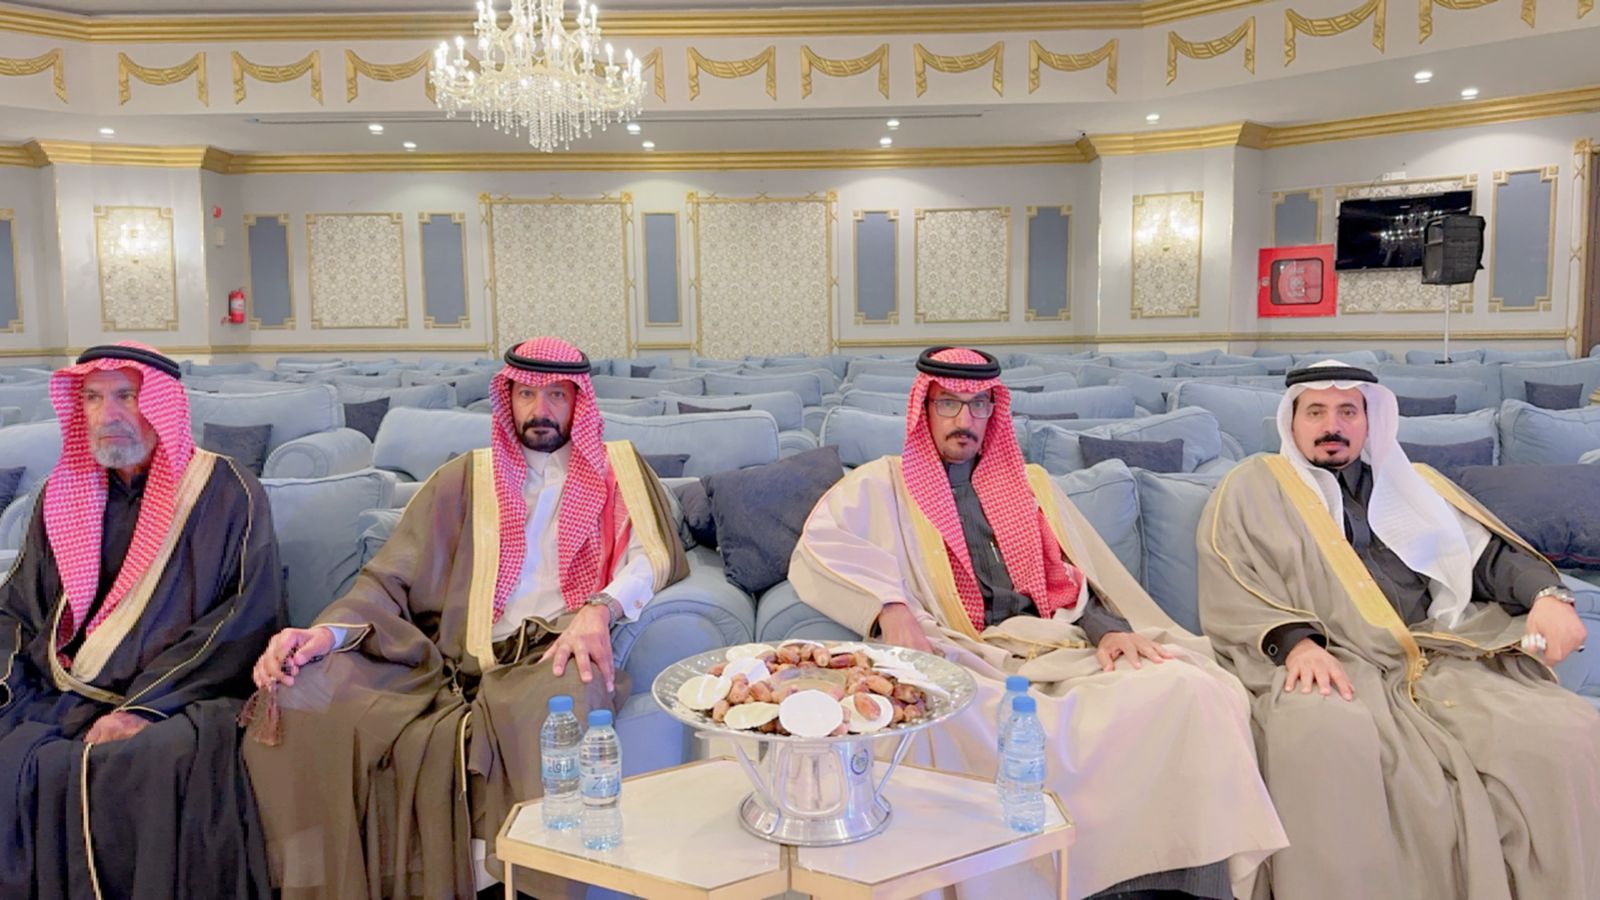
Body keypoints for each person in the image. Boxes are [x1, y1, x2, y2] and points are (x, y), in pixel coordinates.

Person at [789, 346, 1286, 900]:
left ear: (994, 411)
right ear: (924, 407)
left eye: (979, 405)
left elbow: (1074, 574)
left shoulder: (1029, 485)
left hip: (1058, 643)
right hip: (968, 652)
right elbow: (821, 545)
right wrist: (891, 607)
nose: (963, 419)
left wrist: (1108, 629)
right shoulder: (883, 484)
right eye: (949, 403)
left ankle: (1165, 881)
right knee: (938, 716)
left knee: (1193, 689)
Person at [243, 336, 688, 899]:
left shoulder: (617, 469)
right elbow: (389, 579)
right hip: (444, 655)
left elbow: (652, 557)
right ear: (508, 397)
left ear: (579, 400)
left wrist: (600, 609)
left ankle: (531, 884)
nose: (541, 409)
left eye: (557, 394)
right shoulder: (463, 479)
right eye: (526, 394)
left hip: (552, 647)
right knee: (299, 693)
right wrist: (324, 634)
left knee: (565, 702)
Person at [1197, 360, 1600, 899]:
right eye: (1315, 412)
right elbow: (1231, 574)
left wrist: (1549, 596)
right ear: (1291, 421)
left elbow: (1488, 559)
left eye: (1348, 411)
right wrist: (1296, 644)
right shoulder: (1253, 486)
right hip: (1330, 660)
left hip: (1444, 655)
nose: (1332, 425)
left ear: (1370, 421)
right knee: (1320, 740)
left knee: (1565, 735)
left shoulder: (1413, 483)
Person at [0, 342, 284, 899]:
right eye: (93, 397)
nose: (107, 415)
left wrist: (145, 706)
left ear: (161, 403)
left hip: (181, 692)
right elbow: (19, 605)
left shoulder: (225, 491)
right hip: (64, 688)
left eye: (126, 396)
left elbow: (245, 615)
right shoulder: (62, 493)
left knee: (148, 761)